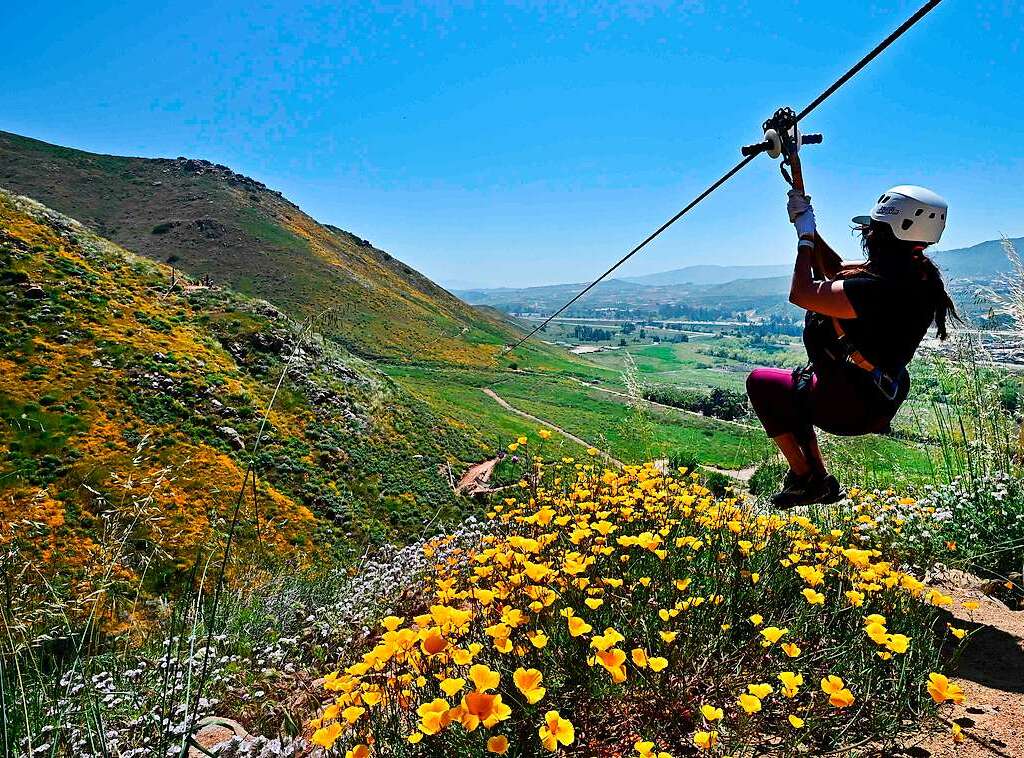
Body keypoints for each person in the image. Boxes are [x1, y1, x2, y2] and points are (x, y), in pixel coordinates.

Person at [746, 146, 959, 508]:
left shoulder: (877, 289)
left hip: (847, 405)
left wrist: (805, 240)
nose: (868, 234)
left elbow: (803, 292)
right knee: (793, 387)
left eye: (873, 229)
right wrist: (806, 220)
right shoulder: (914, 276)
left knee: (763, 384)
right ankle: (811, 478)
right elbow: (840, 271)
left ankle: (805, 476)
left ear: (886, 233)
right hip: (875, 396)